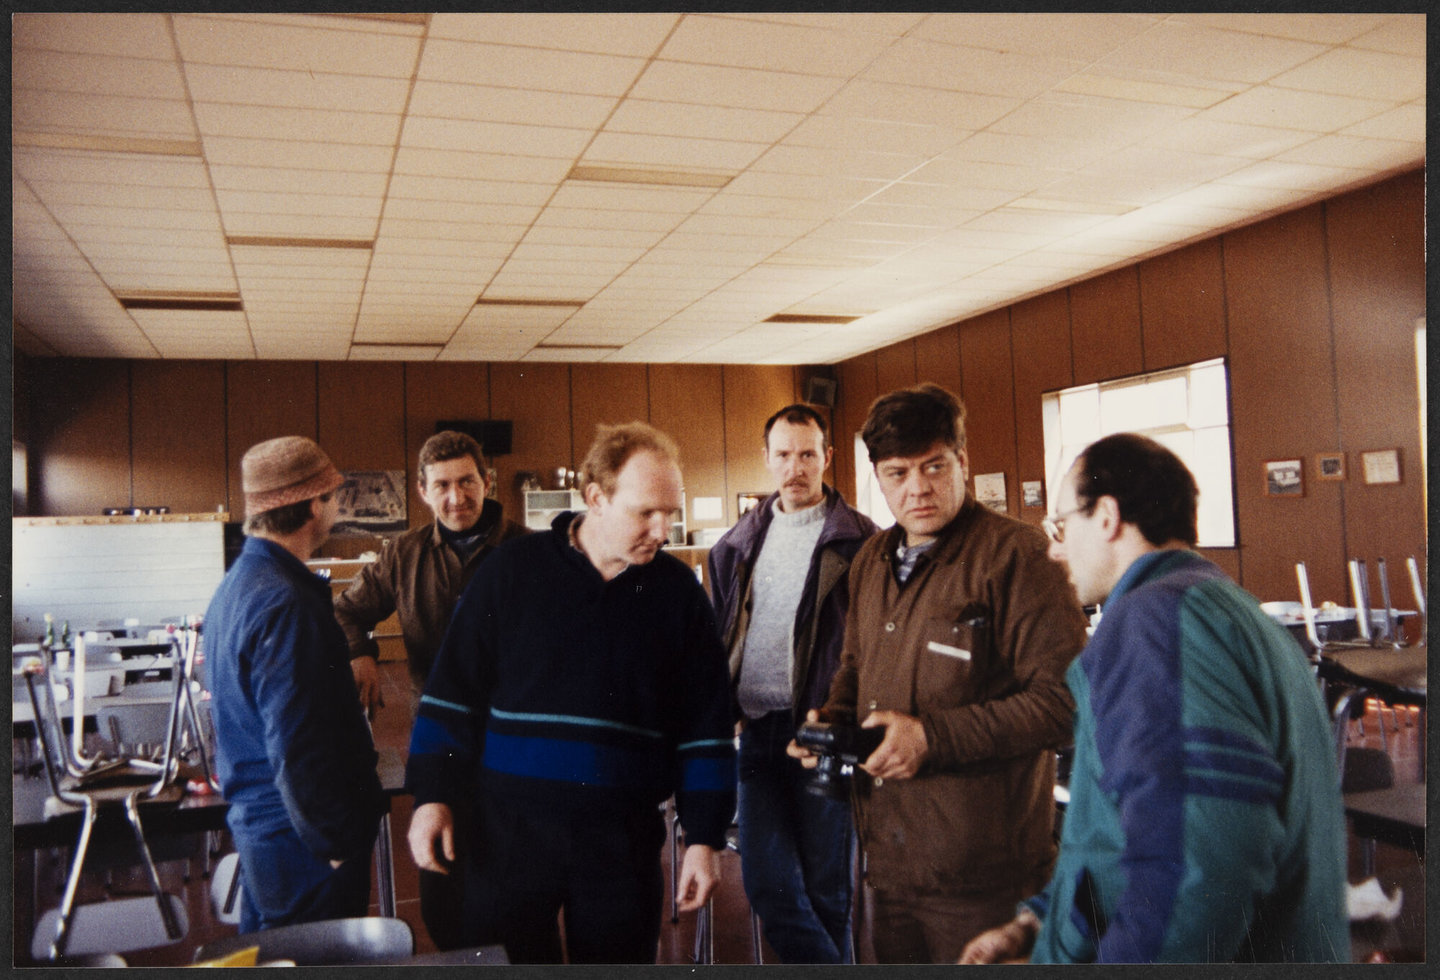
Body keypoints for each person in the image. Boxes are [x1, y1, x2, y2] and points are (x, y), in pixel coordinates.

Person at [960, 433, 1349, 964]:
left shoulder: (1154, 624)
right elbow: (1131, 830)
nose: (1054, 548)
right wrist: (1040, 923)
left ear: (1107, 517)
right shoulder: (1233, 613)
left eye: (1060, 525)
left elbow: (1198, 865)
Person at [404, 422, 736, 964]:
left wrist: (704, 835)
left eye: (670, 514)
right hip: (507, 833)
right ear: (595, 498)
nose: (662, 530)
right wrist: (432, 796)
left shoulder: (679, 596)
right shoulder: (509, 573)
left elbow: (706, 727)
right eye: (645, 512)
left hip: (621, 841)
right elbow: (452, 695)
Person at [790, 383, 1088, 964]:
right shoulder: (871, 561)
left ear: (963, 462)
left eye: (934, 466)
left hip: (985, 879)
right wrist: (833, 719)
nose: (918, 487)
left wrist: (932, 738)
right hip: (888, 865)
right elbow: (855, 666)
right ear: (876, 476)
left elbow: (1067, 705)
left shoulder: (1016, 556)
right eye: (898, 472)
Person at [333, 429, 526, 949]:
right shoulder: (403, 554)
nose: (456, 497)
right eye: (441, 485)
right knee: (444, 886)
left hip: (520, 743)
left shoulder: (532, 551)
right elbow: (346, 611)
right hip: (441, 745)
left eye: (467, 482)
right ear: (422, 490)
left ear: (488, 480)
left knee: (521, 888)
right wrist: (361, 654)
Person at [708, 403, 878, 963]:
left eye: (808, 454)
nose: (795, 467)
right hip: (756, 733)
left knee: (829, 894)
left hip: (821, 736)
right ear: (767, 458)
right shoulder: (735, 545)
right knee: (768, 883)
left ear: (827, 457)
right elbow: (720, 633)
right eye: (783, 455)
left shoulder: (863, 544)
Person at [205, 436, 386, 932]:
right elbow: (298, 747)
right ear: (313, 505)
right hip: (303, 844)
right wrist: (332, 845)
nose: (335, 506)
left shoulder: (237, 586)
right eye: (333, 496)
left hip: (267, 833)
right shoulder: (287, 605)